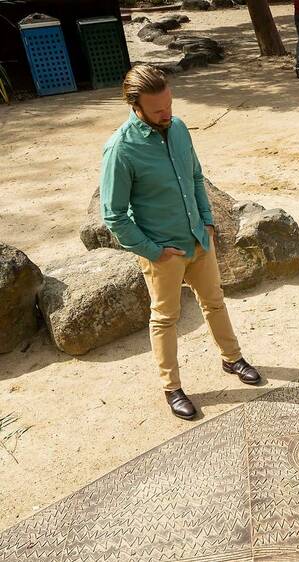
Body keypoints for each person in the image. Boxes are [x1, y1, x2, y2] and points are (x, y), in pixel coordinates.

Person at [100, 65, 261, 421]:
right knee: (165, 318)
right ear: (135, 105)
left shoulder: (180, 128)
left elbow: (195, 175)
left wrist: (207, 221)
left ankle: (232, 359)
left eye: (169, 104)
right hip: (163, 252)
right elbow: (113, 214)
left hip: (199, 239)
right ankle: (172, 387)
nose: (167, 114)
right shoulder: (120, 149)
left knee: (215, 302)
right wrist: (152, 250)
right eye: (158, 110)